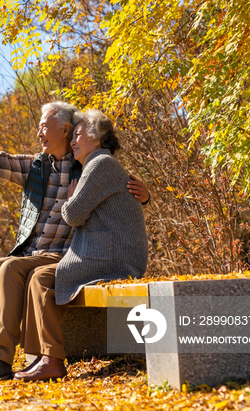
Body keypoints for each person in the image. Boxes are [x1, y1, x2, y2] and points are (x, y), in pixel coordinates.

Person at [0, 101, 149, 382]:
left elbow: (121, 193)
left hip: (68, 255)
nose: (39, 133)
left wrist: (145, 196)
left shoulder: (86, 164)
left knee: (11, 268)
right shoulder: (36, 168)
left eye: (45, 126)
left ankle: (0, 358)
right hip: (34, 253)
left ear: (65, 129)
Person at [14, 109, 149, 382]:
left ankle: (50, 359)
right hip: (106, 252)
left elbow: (73, 215)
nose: (74, 140)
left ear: (97, 137)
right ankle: (42, 357)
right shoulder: (98, 164)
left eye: (78, 134)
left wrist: (71, 198)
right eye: (72, 134)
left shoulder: (100, 164)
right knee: (39, 277)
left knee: (41, 280)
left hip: (112, 257)